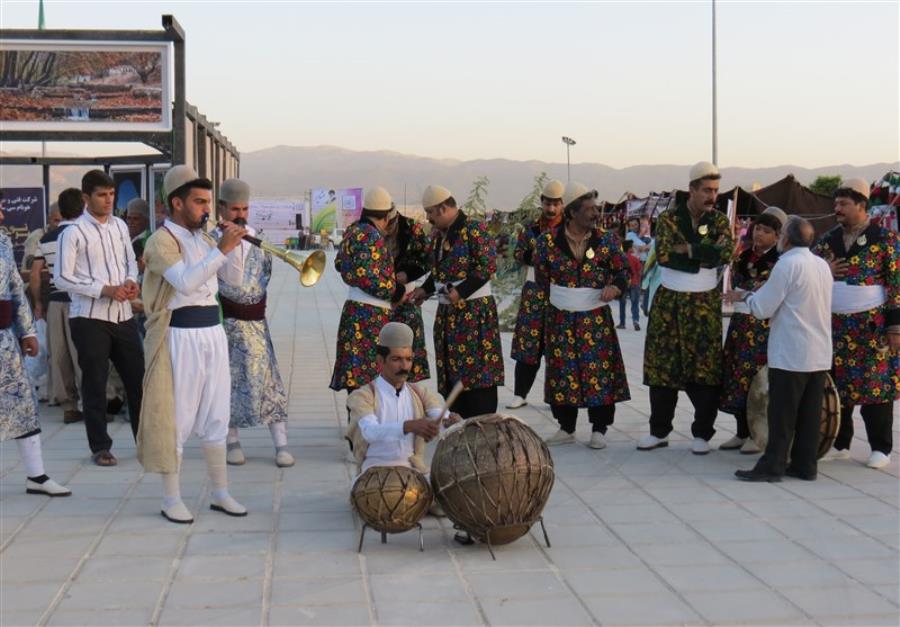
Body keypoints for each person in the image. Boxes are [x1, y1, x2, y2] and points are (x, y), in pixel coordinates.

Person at [136, 165, 248, 523]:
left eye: (208, 203)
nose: (206, 209)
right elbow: (184, 282)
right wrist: (220, 250)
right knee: (178, 417)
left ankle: (220, 493)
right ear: (177, 202)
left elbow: (234, 279)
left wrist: (236, 244)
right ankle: (171, 498)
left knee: (217, 413)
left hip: (212, 331)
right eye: (199, 202)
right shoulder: (160, 241)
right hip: (179, 334)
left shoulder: (204, 237)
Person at [726, 217, 833, 482]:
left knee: (782, 413)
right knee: (809, 414)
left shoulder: (787, 264)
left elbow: (763, 307)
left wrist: (747, 297)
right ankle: (805, 466)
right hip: (819, 351)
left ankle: (772, 466)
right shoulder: (821, 265)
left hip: (792, 351)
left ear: (786, 238)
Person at [639, 162, 735, 455]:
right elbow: (666, 256)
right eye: (707, 190)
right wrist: (705, 253)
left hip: (704, 303)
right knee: (662, 368)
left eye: (716, 190)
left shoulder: (719, 221)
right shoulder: (668, 220)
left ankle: (702, 433)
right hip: (670, 302)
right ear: (691, 189)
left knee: (705, 369)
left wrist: (690, 249)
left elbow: (726, 253)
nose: (712, 196)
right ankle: (659, 431)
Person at [54, 170, 144, 466]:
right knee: (94, 383)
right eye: (101, 195)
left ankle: (145, 442)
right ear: (85, 198)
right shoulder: (73, 232)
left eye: (111, 194)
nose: (108, 200)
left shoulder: (119, 225)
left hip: (123, 316)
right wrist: (103, 289)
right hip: (89, 318)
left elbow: (129, 260)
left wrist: (131, 281)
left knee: (138, 379)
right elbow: (63, 278)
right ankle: (100, 447)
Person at [535, 181, 631, 448]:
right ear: (572, 212)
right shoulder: (547, 242)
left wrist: (615, 287)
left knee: (599, 372)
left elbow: (624, 272)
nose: (595, 213)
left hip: (595, 319)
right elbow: (543, 278)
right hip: (561, 319)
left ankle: (599, 428)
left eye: (595, 208)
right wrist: (563, 298)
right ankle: (566, 427)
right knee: (563, 371)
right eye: (589, 209)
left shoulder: (607, 240)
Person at [814, 178, 899, 469]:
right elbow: (809, 273)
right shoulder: (827, 240)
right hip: (834, 325)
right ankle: (840, 442)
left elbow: (896, 284)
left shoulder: (885, 239)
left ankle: (881, 447)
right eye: (835, 203)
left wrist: (894, 326)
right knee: (836, 384)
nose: (837, 209)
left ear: (861, 205)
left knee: (875, 386)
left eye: (843, 204)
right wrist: (825, 269)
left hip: (871, 324)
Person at [214, 178, 294, 468]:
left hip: (257, 325)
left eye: (245, 208)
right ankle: (231, 440)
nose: (240, 214)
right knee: (227, 383)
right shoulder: (211, 239)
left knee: (269, 382)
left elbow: (264, 275)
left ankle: (281, 443)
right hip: (226, 325)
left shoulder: (258, 239)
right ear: (221, 208)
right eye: (235, 208)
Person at [410, 185, 505, 418]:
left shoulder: (474, 229)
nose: (429, 218)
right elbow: (439, 271)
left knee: (477, 370)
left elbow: (487, 266)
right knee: (452, 369)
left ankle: (481, 419)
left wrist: (461, 291)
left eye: (431, 212)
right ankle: (457, 417)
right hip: (448, 314)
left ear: (443, 208)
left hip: (474, 313)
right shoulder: (439, 236)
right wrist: (424, 289)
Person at [0, 194, 71, 496]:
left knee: (23, 405)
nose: (2, 214)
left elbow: (15, 286)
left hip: (4, 340)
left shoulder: (2, 241)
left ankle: (36, 476)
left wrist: (27, 331)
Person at [345, 322, 459, 476]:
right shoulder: (363, 395)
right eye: (396, 359)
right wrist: (408, 426)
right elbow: (370, 432)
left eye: (408, 359)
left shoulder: (420, 393)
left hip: (412, 470)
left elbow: (439, 417)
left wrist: (451, 424)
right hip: (373, 471)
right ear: (380, 360)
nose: (404, 366)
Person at [718, 209, 784, 454]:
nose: (760, 234)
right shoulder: (743, 256)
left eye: (767, 231)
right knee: (736, 377)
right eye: (757, 229)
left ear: (777, 236)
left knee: (757, 380)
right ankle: (741, 431)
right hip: (739, 325)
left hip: (761, 327)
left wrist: (746, 294)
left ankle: (759, 434)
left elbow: (768, 291)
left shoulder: (779, 261)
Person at [329, 187, 402, 394]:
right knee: (370, 375)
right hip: (371, 315)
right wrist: (396, 291)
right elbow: (369, 277)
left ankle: (356, 423)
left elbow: (339, 263)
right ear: (386, 216)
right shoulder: (372, 236)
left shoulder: (353, 231)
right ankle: (366, 424)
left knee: (356, 372)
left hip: (354, 309)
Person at [507, 179, 564, 409]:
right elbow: (519, 254)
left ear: (562, 205)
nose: (551, 209)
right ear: (542, 202)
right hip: (533, 294)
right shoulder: (530, 229)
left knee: (560, 347)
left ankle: (558, 397)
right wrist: (541, 257)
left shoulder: (569, 231)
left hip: (560, 294)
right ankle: (520, 393)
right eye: (547, 203)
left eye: (555, 204)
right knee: (527, 346)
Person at [30, 189, 84, 424]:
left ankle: (69, 406)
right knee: (83, 353)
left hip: (55, 302)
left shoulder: (46, 239)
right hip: (81, 301)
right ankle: (95, 401)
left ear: (60, 212)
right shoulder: (85, 233)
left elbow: (34, 274)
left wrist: (39, 302)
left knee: (59, 355)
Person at [385, 209, 432, 382]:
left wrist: (408, 273)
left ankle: (410, 395)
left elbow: (428, 259)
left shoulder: (411, 228)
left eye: (389, 223)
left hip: (406, 298)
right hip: (379, 301)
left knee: (408, 347)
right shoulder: (367, 228)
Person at [20, 205, 61, 272]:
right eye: (56, 220)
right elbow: (30, 264)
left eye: (62, 221)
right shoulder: (37, 236)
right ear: (49, 219)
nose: (58, 225)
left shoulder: (67, 236)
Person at [616, 240, 642, 331]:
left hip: (623, 284)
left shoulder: (620, 258)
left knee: (622, 304)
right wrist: (638, 281)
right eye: (632, 247)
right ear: (630, 248)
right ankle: (636, 321)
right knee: (635, 303)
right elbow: (639, 272)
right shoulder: (635, 259)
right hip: (634, 283)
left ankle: (622, 323)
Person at [125, 198, 151, 269]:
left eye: (135, 219)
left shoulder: (148, 240)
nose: (131, 222)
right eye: (129, 218)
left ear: (146, 221)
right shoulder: (124, 238)